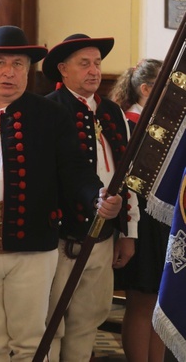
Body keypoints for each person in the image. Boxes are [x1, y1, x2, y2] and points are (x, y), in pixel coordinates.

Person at [0, 25, 122, 362]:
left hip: (33, 246)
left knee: (30, 341)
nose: (9, 72)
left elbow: (74, 169)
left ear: (28, 70)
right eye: (0, 63)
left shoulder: (51, 115)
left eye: (19, 64)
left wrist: (96, 196)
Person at [43, 33, 140, 362]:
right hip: (60, 239)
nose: (94, 71)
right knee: (51, 322)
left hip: (103, 238)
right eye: (84, 64)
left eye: (97, 63)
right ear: (63, 70)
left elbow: (127, 176)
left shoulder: (112, 112)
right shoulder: (49, 111)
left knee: (88, 320)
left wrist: (128, 232)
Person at [110, 58, 170, 362]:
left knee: (160, 303)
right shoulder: (130, 123)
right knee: (142, 301)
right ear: (147, 89)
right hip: (140, 220)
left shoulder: (159, 123)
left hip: (161, 218)